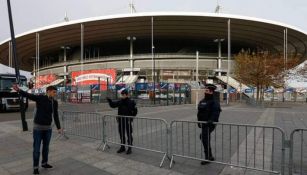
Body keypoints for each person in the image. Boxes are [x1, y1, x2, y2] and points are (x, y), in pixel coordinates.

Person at [12, 84, 63, 174]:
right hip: (38, 129)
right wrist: (19, 90)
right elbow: (29, 95)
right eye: (54, 92)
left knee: (46, 148)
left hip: (48, 129)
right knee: (36, 149)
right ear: (48, 91)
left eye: (56, 92)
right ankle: (35, 167)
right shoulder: (40, 98)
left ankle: (44, 163)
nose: (55, 94)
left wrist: (59, 127)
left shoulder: (54, 102)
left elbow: (55, 115)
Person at [106, 89, 137, 154]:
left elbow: (135, 111)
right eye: (122, 94)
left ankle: (129, 148)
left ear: (127, 95)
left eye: (123, 95)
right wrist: (109, 101)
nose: (122, 96)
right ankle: (122, 147)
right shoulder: (120, 101)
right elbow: (113, 105)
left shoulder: (131, 102)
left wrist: (131, 118)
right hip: (121, 121)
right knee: (121, 134)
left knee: (129, 134)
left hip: (127, 121)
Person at [197, 84, 221, 165]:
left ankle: (208, 157)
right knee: (203, 137)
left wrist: (211, 121)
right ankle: (210, 156)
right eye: (205, 90)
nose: (205, 92)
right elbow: (199, 112)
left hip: (210, 124)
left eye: (207, 91)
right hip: (203, 123)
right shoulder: (203, 101)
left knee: (204, 138)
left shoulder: (214, 102)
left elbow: (215, 113)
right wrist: (199, 121)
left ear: (211, 91)